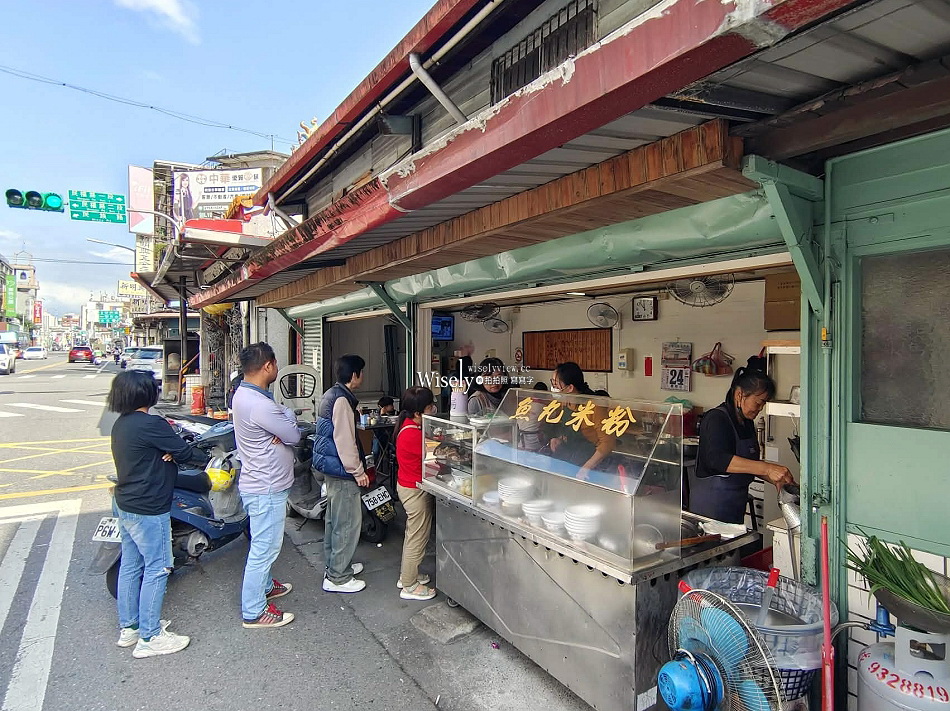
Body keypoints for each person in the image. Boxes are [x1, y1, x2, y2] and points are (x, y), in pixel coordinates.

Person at [108, 370, 208, 658]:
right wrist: (183, 454)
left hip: (126, 502)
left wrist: (166, 454)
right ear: (146, 394)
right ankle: (150, 638)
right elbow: (187, 453)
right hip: (149, 507)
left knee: (131, 564)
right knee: (158, 567)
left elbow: (151, 454)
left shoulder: (121, 424)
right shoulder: (152, 424)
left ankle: (131, 628)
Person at [232, 342, 301, 629]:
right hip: (266, 486)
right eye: (275, 364)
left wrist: (281, 425)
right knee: (265, 548)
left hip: (262, 482)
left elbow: (284, 432)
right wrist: (286, 417)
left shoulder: (246, 395)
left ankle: (263, 588)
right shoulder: (260, 404)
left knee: (265, 545)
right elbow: (294, 434)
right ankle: (254, 611)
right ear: (268, 366)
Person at [690, 367, 795, 524]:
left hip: (734, 505)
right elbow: (719, 460)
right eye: (758, 402)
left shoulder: (746, 423)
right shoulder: (716, 419)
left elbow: (747, 463)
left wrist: (776, 478)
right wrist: (768, 468)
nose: (760, 409)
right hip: (711, 507)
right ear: (739, 395)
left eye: (763, 404)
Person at [313, 354, 369, 594]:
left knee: (334, 521)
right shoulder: (342, 401)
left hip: (328, 467)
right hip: (341, 470)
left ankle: (336, 565)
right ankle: (338, 577)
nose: (362, 377)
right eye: (361, 372)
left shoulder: (331, 394)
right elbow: (345, 441)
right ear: (354, 375)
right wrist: (358, 471)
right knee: (346, 522)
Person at [395, 386, 438, 601]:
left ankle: (408, 575)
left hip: (408, 485)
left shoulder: (410, 426)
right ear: (417, 413)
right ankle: (409, 585)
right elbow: (434, 455)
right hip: (414, 491)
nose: (434, 409)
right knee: (417, 538)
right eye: (430, 407)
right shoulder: (412, 434)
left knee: (414, 534)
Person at [547, 362, 615, 479]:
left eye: (556, 384)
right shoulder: (565, 402)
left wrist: (586, 468)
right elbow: (568, 430)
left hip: (590, 462)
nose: (553, 388)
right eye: (552, 383)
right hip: (569, 456)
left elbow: (608, 443)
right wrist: (558, 439)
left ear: (570, 388)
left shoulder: (595, 406)